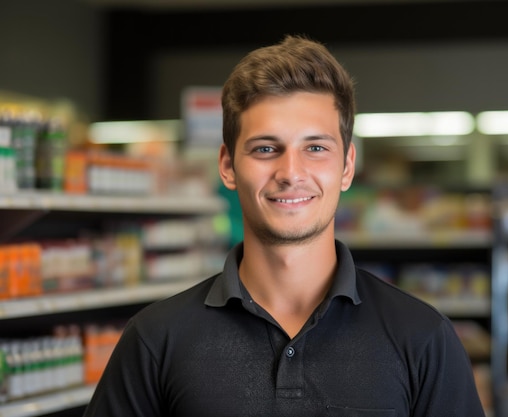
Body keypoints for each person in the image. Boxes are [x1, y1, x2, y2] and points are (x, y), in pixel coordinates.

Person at [83, 35, 486, 417]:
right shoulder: (156, 340)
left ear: (347, 167)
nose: (291, 172)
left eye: (315, 148)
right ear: (227, 166)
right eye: (265, 148)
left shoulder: (423, 337)